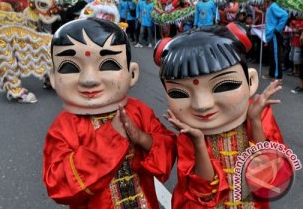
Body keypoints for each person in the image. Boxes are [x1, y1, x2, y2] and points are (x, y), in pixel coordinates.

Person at [43, 18, 176, 208]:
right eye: (71, 67)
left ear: (132, 74)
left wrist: (142, 138)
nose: (89, 80)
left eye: (107, 64)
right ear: (54, 78)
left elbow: (168, 150)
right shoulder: (65, 126)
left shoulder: (138, 110)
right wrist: (110, 138)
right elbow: (58, 185)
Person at [153, 22, 286, 208]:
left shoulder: (258, 115)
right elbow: (203, 191)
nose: (202, 105)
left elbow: (269, 173)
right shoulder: (189, 136)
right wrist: (198, 142)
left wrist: (255, 121)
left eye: (224, 85)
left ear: (251, 81)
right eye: (179, 93)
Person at [262, 0, 289, 82]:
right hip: (270, 35)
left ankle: (278, 77)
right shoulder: (269, 7)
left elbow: (285, 15)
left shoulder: (273, 6)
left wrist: (277, 29)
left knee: (276, 56)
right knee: (273, 55)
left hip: (274, 35)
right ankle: (271, 73)